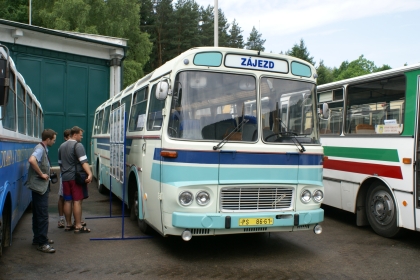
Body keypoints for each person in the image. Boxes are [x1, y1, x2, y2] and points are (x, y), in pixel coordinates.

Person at [27, 129, 57, 253]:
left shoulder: (42, 148)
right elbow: (32, 160)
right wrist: (42, 174)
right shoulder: (40, 149)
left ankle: (38, 238)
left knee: (38, 213)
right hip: (40, 187)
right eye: (53, 140)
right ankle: (42, 243)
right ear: (48, 139)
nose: (54, 142)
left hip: (38, 186)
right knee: (43, 215)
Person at [59, 126, 92, 233]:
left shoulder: (61, 146)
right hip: (75, 178)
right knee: (77, 201)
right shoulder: (78, 146)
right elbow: (83, 162)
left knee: (67, 201)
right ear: (74, 135)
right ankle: (78, 225)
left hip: (65, 178)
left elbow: (60, 163)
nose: (81, 137)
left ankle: (68, 224)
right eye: (80, 135)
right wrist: (89, 173)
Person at [57, 129, 71, 228]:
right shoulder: (61, 147)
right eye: (68, 137)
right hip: (65, 176)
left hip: (71, 176)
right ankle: (61, 219)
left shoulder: (76, 146)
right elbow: (60, 163)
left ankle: (74, 220)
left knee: (73, 199)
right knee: (62, 197)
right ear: (65, 138)